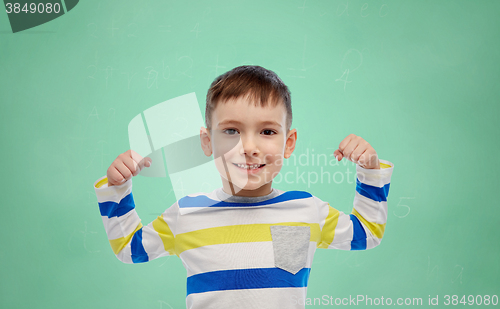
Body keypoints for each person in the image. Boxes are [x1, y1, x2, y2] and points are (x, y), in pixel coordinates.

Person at [93, 65, 394, 309]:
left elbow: (366, 233)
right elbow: (130, 249)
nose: (248, 146)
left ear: (288, 143)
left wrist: (368, 170)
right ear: (207, 141)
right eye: (231, 131)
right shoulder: (187, 213)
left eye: (266, 131)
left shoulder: (306, 210)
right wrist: (118, 189)